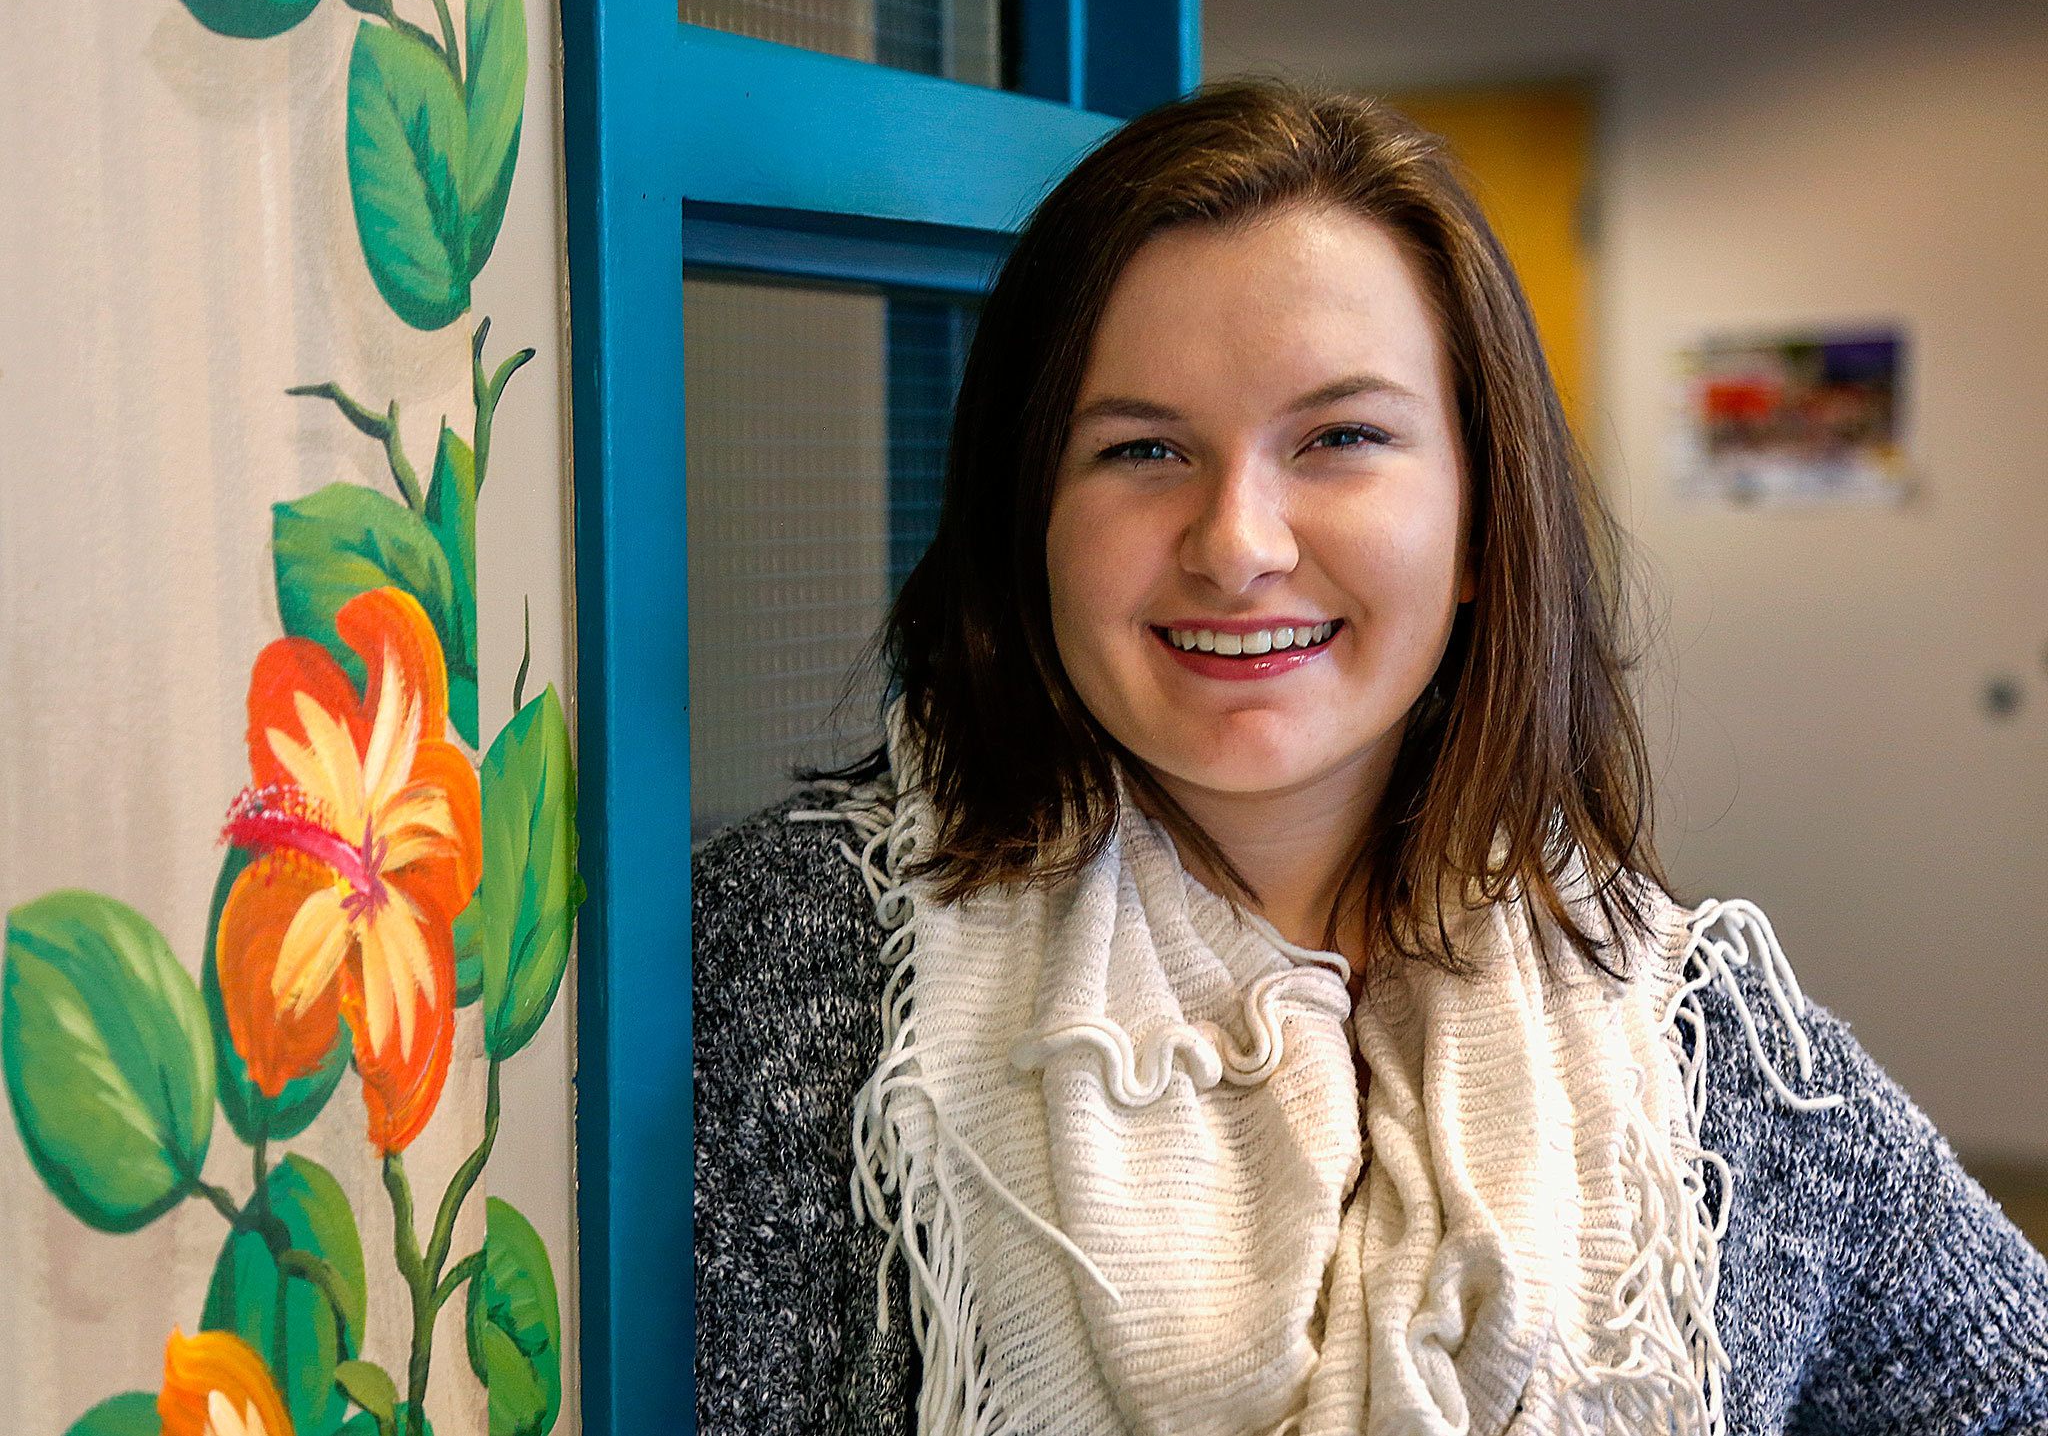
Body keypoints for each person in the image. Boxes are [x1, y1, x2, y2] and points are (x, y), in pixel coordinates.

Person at [692, 79, 2048, 1435]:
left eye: (1339, 438)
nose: (1237, 543)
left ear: (1478, 523)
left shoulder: (1698, 1049)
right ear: (1032, 514)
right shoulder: (799, 958)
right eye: (1141, 447)